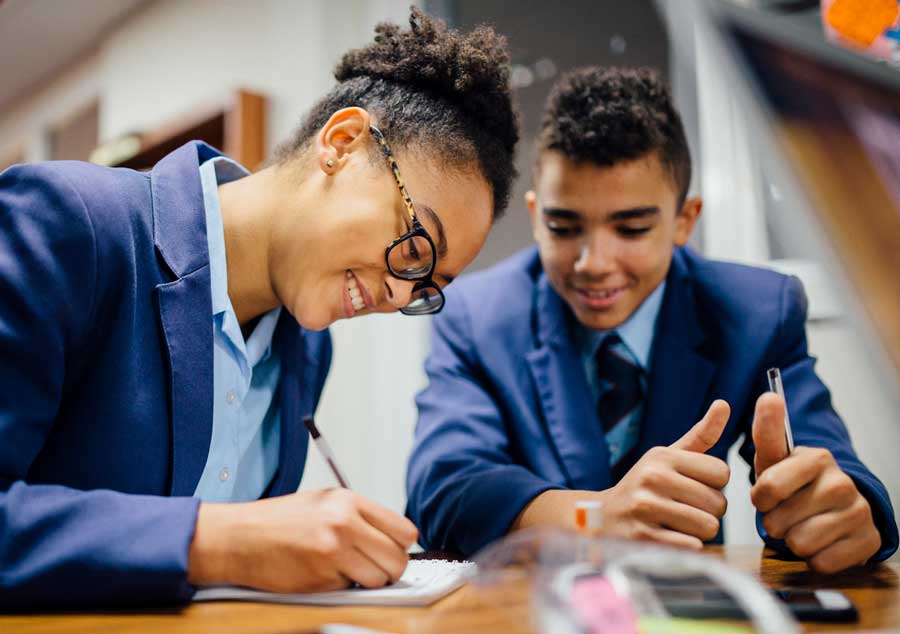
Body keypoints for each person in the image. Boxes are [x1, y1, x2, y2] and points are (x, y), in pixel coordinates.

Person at [0, 9, 518, 608]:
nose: (400, 294)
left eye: (428, 285)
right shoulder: (69, 223)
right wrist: (221, 540)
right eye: (416, 245)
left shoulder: (307, 348)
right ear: (343, 143)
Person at [406, 66, 898, 574]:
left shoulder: (757, 311)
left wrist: (839, 509)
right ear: (535, 216)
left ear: (685, 221)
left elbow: (825, 458)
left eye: (633, 228)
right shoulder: (474, 314)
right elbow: (443, 489)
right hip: (525, 605)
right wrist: (593, 516)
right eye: (563, 226)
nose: (594, 262)